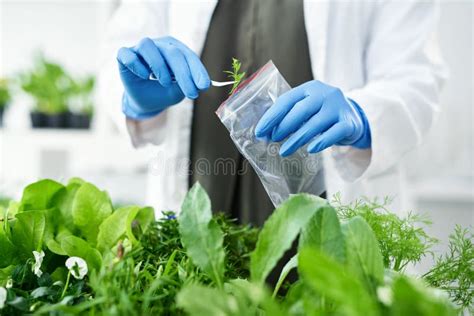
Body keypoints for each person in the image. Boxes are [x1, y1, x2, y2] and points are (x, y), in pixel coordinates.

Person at [97, 0, 445, 223]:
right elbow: (124, 44)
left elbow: (416, 77)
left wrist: (363, 115)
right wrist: (137, 100)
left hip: (328, 214)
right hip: (197, 204)